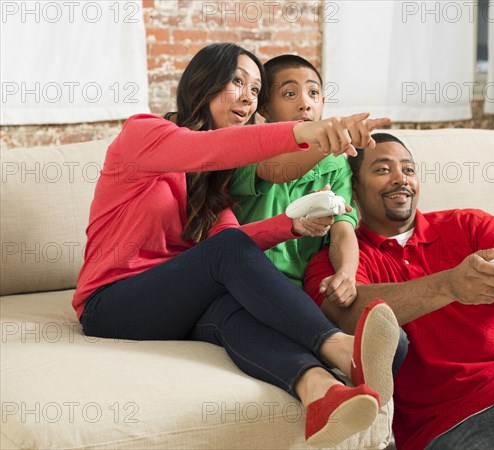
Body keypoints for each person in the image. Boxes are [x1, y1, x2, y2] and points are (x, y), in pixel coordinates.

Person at [72, 43, 400, 448]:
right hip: (111, 305)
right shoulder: (143, 134)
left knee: (230, 311)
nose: (248, 97)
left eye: (255, 88)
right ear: (201, 83)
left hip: (170, 303)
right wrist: (307, 132)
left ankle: (321, 394)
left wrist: (291, 226)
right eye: (236, 82)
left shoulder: (212, 180)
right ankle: (339, 346)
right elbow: (206, 150)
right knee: (226, 252)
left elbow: (234, 241)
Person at [304, 133, 494, 449]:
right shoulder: (336, 262)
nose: (400, 179)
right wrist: (449, 285)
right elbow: (347, 316)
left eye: (408, 169)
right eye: (382, 170)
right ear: (355, 189)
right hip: (456, 426)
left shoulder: (469, 224)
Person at [229, 54, 390, 306]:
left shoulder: (336, 162)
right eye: (290, 94)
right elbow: (280, 170)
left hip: (299, 288)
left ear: (323, 102)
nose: (306, 104)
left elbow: (343, 226)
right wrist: (332, 140)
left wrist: (347, 274)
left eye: (313, 93)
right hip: (243, 278)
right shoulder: (248, 144)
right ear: (265, 107)